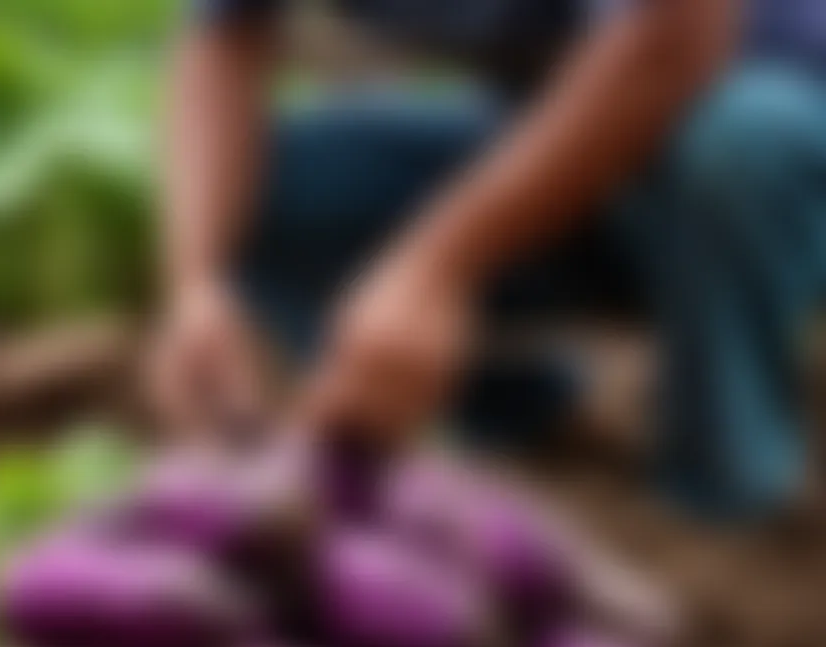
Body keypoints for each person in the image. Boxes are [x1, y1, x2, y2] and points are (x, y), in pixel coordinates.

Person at [148, 0, 826, 520]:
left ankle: (733, 495)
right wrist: (195, 285)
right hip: (591, 167)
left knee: (734, 149)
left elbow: (678, 44)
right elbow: (221, 45)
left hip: (776, 141)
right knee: (279, 196)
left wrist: (432, 267)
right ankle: (527, 429)